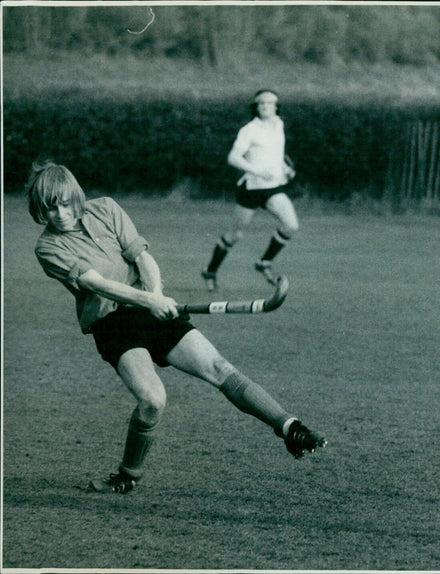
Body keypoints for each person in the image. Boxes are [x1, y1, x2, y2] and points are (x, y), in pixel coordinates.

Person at [27, 160, 325, 495]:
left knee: (219, 368)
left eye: (65, 205)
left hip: (152, 306)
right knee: (153, 400)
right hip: (113, 323)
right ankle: (127, 475)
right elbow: (97, 284)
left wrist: (156, 296)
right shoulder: (48, 247)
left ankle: (289, 427)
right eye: (50, 209)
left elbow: (141, 257)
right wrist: (148, 301)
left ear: (75, 197)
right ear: (40, 210)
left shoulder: (106, 209)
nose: (60, 215)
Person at [202, 88, 298, 292]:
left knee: (291, 226)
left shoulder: (278, 124)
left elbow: (275, 153)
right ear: (256, 107)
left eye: (270, 103)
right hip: (251, 188)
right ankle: (210, 271)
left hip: (273, 187)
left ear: (276, 106)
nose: (266, 106)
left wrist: (285, 168)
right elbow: (233, 157)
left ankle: (264, 262)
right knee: (235, 235)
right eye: (261, 103)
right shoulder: (249, 130)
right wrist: (257, 171)